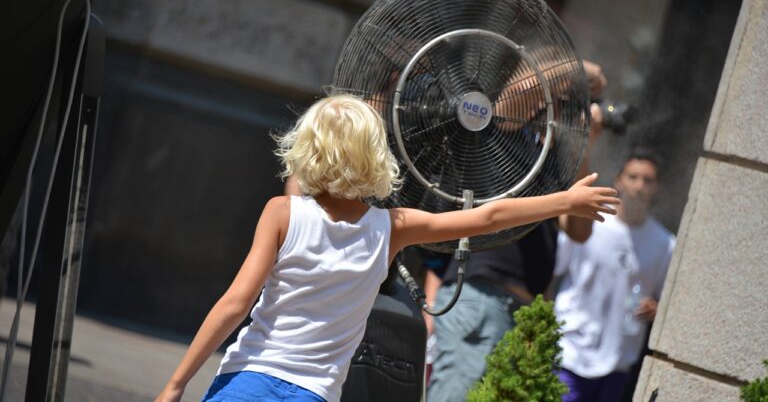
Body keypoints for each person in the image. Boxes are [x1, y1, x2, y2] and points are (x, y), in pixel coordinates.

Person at [154, 94, 619, 402]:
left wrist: (177, 384)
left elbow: (236, 304)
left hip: (247, 380)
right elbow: (488, 217)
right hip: (313, 394)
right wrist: (567, 199)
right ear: (376, 156)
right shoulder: (392, 227)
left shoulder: (282, 212)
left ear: (306, 149)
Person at [426, 60, 607, 402]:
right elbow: (519, 91)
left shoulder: (551, 158)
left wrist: (583, 143)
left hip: (520, 308)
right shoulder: (497, 133)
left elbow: (579, 228)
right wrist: (577, 69)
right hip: (483, 295)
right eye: (564, 98)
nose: (565, 107)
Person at [553, 148, 675, 402]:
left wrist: (656, 309)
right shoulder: (591, 219)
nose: (639, 186)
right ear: (618, 180)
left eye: (647, 180)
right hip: (570, 352)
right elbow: (554, 267)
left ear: (657, 187)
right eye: (633, 177)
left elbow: (665, 302)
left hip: (618, 360)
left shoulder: (665, 243)